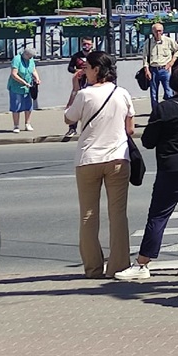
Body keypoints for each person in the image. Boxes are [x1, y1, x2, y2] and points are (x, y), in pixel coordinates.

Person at [115, 63, 178, 281]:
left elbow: (148, 141)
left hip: (173, 165)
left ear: (173, 84)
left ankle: (143, 263)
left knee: (160, 213)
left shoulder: (164, 108)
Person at [63, 50, 135, 279]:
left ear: (96, 69)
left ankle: (93, 268)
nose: (84, 71)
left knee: (88, 215)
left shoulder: (84, 95)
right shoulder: (122, 93)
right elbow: (130, 128)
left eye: (87, 67)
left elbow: (68, 118)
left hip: (88, 160)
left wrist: (75, 89)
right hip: (118, 158)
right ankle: (119, 266)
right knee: (118, 214)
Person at [142, 23, 178, 111]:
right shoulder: (148, 42)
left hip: (165, 69)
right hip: (153, 70)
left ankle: (169, 110)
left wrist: (171, 62)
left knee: (169, 92)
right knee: (153, 94)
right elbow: (145, 57)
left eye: (160, 31)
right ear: (153, 31)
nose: (158, 33)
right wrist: (146, 70)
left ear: (163, 31)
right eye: (156, 31)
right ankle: (155, 112)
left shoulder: (168, 41)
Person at [64, 37, 94, 137]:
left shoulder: (95, 56)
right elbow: (70, 68)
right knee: (75, 105)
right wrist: (77, 71)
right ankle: (72, 129)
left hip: (92, 83)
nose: (86, 46)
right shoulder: (76, 56)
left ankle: (91, 129)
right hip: (79, 83)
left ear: (92, 45)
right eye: (85, 44)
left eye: (88, 44)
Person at [8, 46, 40, 133]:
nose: (30, 58)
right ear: (25, 54)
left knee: (28, 106)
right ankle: (16, 126)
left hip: (28, 87)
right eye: (29, 56)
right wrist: (23, 82)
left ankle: (27, 124)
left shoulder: (30, 60)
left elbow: (33, 70)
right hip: (16, 87)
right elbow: (14, 74)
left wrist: (37, 78)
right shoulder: (17, 59)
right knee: (16, 106)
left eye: (31, 57)